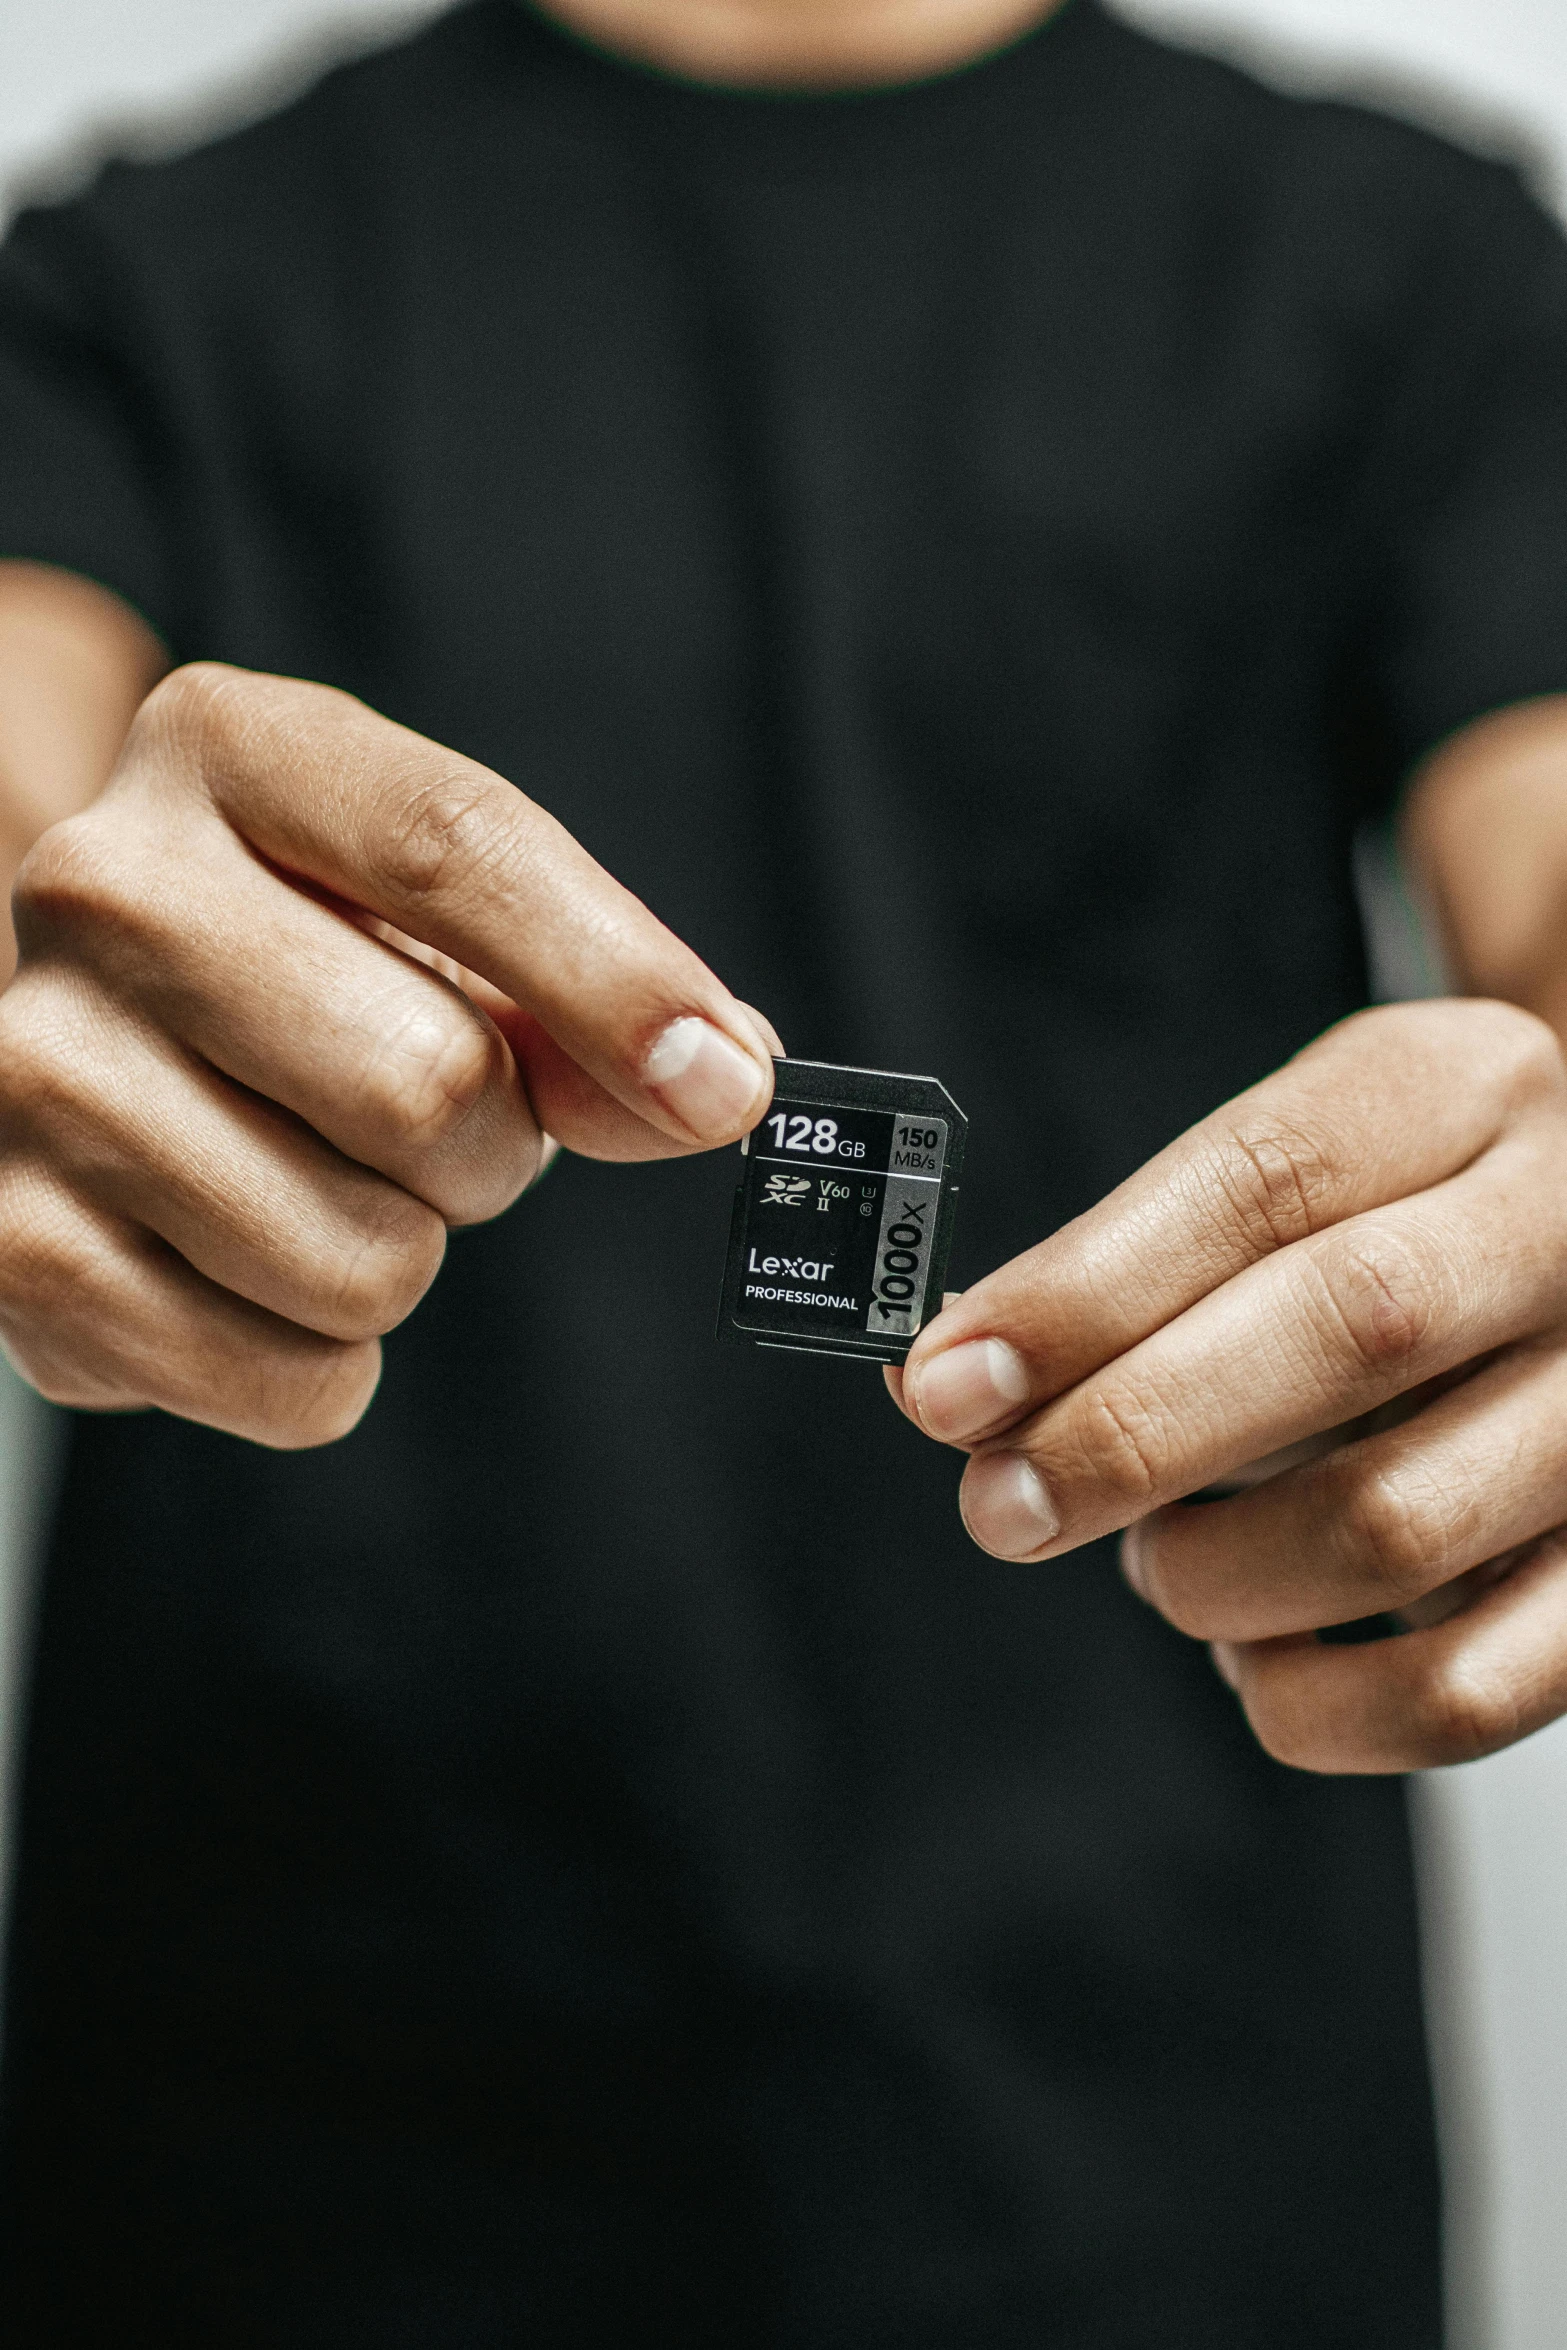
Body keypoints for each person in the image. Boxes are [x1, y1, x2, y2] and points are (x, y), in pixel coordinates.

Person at [2, 0, 1567, 2337]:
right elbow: (32, 805)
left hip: (1158, 2124)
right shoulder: (135, 275)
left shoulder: (1406, 254)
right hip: (266, 2119)